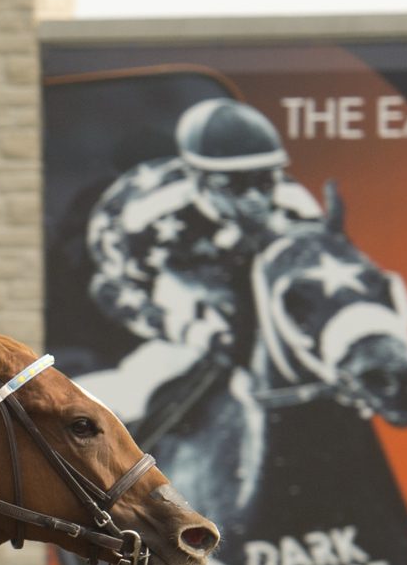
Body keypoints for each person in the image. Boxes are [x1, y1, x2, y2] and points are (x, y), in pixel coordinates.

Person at [88, 98, 321, 365]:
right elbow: (113, 291)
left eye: (265, 181)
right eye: (236, 184)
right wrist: (190, 332)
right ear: (196, 177)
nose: (255, 197)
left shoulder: (298, 207)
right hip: (172, 294)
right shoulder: (143, 218)